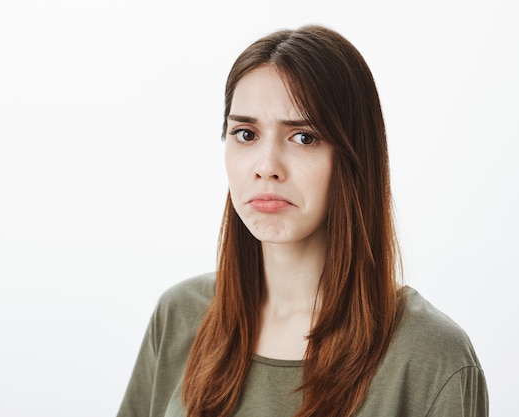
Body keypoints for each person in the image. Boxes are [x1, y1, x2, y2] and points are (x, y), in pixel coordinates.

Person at [117, 24, 488, 417]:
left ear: (353, 155)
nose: (266, 167)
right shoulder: (179, 316)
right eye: (245, 134)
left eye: (304, 137)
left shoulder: (431, 358)